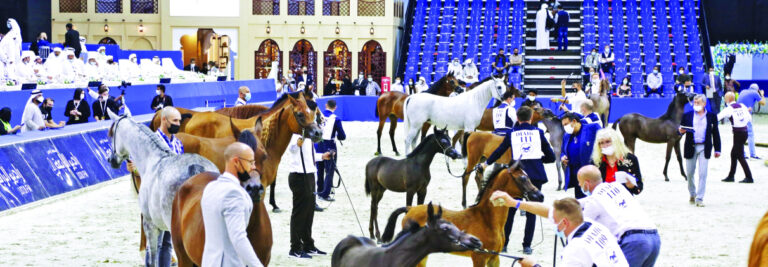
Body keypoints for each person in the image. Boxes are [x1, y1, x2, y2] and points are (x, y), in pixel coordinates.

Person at [492, 165, 658, 267]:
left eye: (579, 183)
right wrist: (515, 203)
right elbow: (564, 209)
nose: (579, 186)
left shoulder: (589, 215)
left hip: (635, 242)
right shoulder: (614, 188)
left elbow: (560, 214)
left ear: (586, 183)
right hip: (654, 238)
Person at [481, 106, 555, 254]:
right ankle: (526, 246)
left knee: (511, 210)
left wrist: (486, 163)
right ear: (531, 117)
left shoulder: (511, 133)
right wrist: (539, 159)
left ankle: (505, 243)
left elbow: (499, 151)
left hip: (516, 176)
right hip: (534, 175)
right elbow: (551, 157)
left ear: (518, 118)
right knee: (532, 212)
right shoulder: (539, 132)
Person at [490, 196, 629, 267]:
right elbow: (545, 210)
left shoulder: (575, 248)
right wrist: (514, 203)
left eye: (554, 220)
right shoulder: (593, 224)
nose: (553, 223)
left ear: (564, 223)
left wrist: (534, 265)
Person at [127, 107, 182, 267]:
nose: (178, 124)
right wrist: (135, 169)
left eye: (179, 121)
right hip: (154, 199)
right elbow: (135, 165)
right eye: (175, 121)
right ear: (164, 120)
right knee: (155, 244)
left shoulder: (178, 143)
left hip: (170, 199)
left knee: (167, 243)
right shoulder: (148, 143)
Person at [200, 142, 264, 267]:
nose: (253, 167)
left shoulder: (210, 187)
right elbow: (238, 238)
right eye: (250, 162)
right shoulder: (233, 193)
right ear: (236, 161)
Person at [287, 132, 331, 258]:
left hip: (310, 175)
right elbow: (292, 149)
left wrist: (322, 156)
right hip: (299, 176)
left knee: (309, 212)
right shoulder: (296, 134)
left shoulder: (310, 135)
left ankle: (308, 245)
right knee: (299, 213)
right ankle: (294, 248)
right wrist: (297, 144)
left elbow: (309, 156)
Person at [679, 94, 721, 207]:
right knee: (690, 173)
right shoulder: (687, 115)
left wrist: (718, 149)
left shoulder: (712, 116)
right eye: (694, 102)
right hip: (690, 146)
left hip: (704, 147)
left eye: (698, 102)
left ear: (704, 104)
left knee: (703, 173)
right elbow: (680, 131)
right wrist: (680, 131)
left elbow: (715, 133)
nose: (695, 104)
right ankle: (692, 193)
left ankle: (700, 198)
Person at [591, 128, 643, 194]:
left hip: (624, 200)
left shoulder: (631, 159)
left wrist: (632, 186)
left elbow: (639, 188)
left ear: (616, 142)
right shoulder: (596, 162)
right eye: (601, 143)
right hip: (603, 200)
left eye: (608, 142)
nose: (605, 145)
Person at [560, 112, 600, 198]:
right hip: (577, 176)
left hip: (591, 174)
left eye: (566, 124)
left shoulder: (592, 128)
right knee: (580, 201)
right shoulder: (566, 135)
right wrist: (562, 157)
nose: (564, 127)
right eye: (563, 125)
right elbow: (563, 151)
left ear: (574, 121)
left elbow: (605, 139)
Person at [717, 92, 754, 184]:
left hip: (738, 133)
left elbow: (717, 118)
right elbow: (749, 118)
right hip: (745, 132)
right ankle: (731, 176)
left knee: (740, 155)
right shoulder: (742, 106)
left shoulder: (728, 109)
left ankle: (749, 177)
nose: (725, 100)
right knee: (734, 154)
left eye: (725, 99)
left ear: (728, 100)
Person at [315, 100, 346, 202]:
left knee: (320, 169)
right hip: (330, 145)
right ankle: (325, 193)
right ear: (335, 107)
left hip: (318, 144)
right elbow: (342, 136)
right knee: (329, 170)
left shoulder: (318, 116)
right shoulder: (336, 119)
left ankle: (319, 191)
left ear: (326, 105)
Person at [737, 83, 765, 159]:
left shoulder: (743, 91)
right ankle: (753, 154)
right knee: (750, 134)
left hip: (738, 114)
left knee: (741, 134)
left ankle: (743, 154)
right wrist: (761, 94)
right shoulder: (755, 92)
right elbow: (763, 103)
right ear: (757, 89)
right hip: (746, 114)